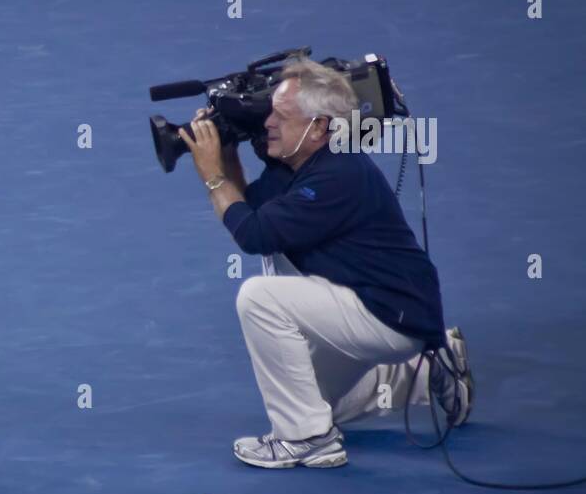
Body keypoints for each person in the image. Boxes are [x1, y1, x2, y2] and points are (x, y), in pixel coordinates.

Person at [178, 59, 472, 469]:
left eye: (281, 116)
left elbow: (252, 235)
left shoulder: (337, 176)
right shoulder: (300, 163)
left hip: (390, 315)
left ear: (319, 127)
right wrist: (226, 156)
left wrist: (213, 178)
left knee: (259, 297)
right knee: (310, 397)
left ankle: (308, 439)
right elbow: (256, 214)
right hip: (372, 302)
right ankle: (429, 372)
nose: (267, 125)